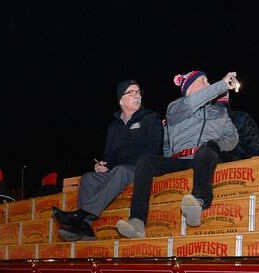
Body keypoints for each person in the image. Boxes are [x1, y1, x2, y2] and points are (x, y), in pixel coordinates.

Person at [116, 70, 239, 239]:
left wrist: (216, 145)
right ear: (188, 87)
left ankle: (198, 202)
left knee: (206, 151)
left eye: (209, 81)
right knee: (146, 161)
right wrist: (223, 84)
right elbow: (192, 104)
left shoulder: (220, 112)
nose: (208, 84)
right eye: (204, 80)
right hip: (182, 160)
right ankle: (137, 221)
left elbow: (233, 137)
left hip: (207, 157)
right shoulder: (176, 107)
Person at [53, 79, 163, 241]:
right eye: (131, 92)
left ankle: (80, 215)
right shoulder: (114, 127)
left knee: (121, 170)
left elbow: (154, 148)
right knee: (88, 177)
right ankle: (85, 228)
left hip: (143, 168)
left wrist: (120, 160)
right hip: (118, 170)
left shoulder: (150, 118)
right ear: (121, 100)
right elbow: (109, 155)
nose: (136, 96)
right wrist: (103, 165)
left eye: (138, 92)